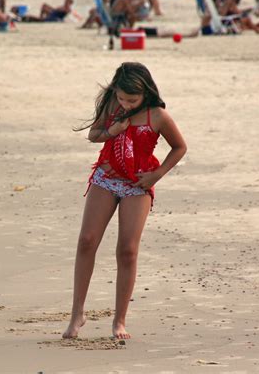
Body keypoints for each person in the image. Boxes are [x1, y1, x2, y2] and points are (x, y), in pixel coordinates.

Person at [63, 62, 187, 340]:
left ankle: (119, 321)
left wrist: (156, 175)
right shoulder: (112, 106)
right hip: (105, 179)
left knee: (127, 250)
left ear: (146, 93)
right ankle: (77, 314)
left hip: (137, 185)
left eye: (132, 100)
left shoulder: (158, 116)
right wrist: (112, 131)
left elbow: (180, 147)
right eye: (121, 97)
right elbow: (94, 135)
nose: (125, 103)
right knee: (87, 240)